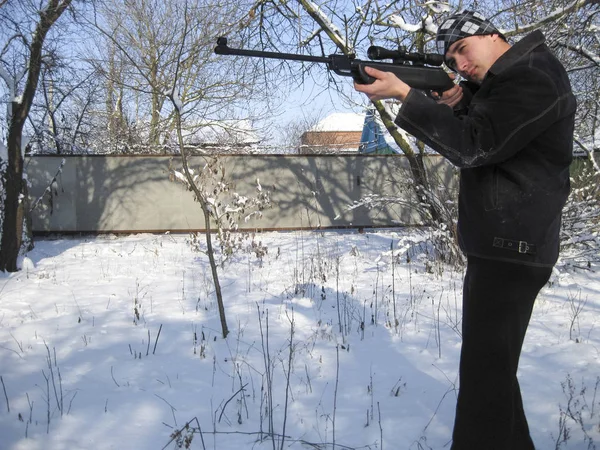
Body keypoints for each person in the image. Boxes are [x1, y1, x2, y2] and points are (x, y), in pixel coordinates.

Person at [354, 10, 577, 450]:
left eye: (462, 49)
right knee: (491, 372)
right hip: (502, 244)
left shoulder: (533, 74)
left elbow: (477, 146)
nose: (460, 64)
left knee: (483, 378)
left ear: (494, 36)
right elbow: (494, 132)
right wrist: (462, 101)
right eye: (451, 59)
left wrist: (405, 94)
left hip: (513, 247)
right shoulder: (509, 82)